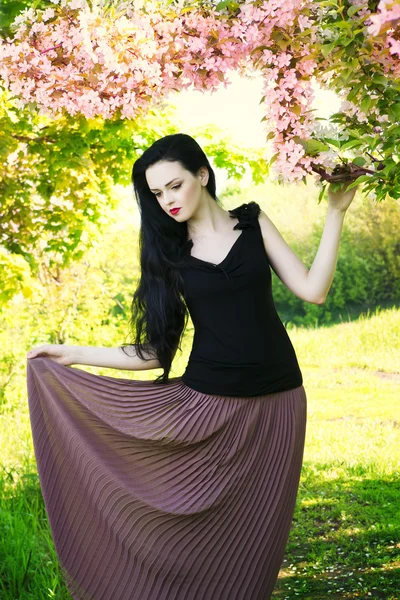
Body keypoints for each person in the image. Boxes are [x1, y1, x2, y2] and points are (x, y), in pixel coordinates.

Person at [26, 133, 358, 600]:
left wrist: (336, 212)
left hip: (281, 404)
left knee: (254, 543)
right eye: (157, 194)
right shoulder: (169, 255)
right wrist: (73, 353)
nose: (167, 201)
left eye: (174, 186)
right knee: (180, 531)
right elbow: (155, 353)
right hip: (207, 409)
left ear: (202, 175)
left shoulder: (253, 221)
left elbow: (313, 290)